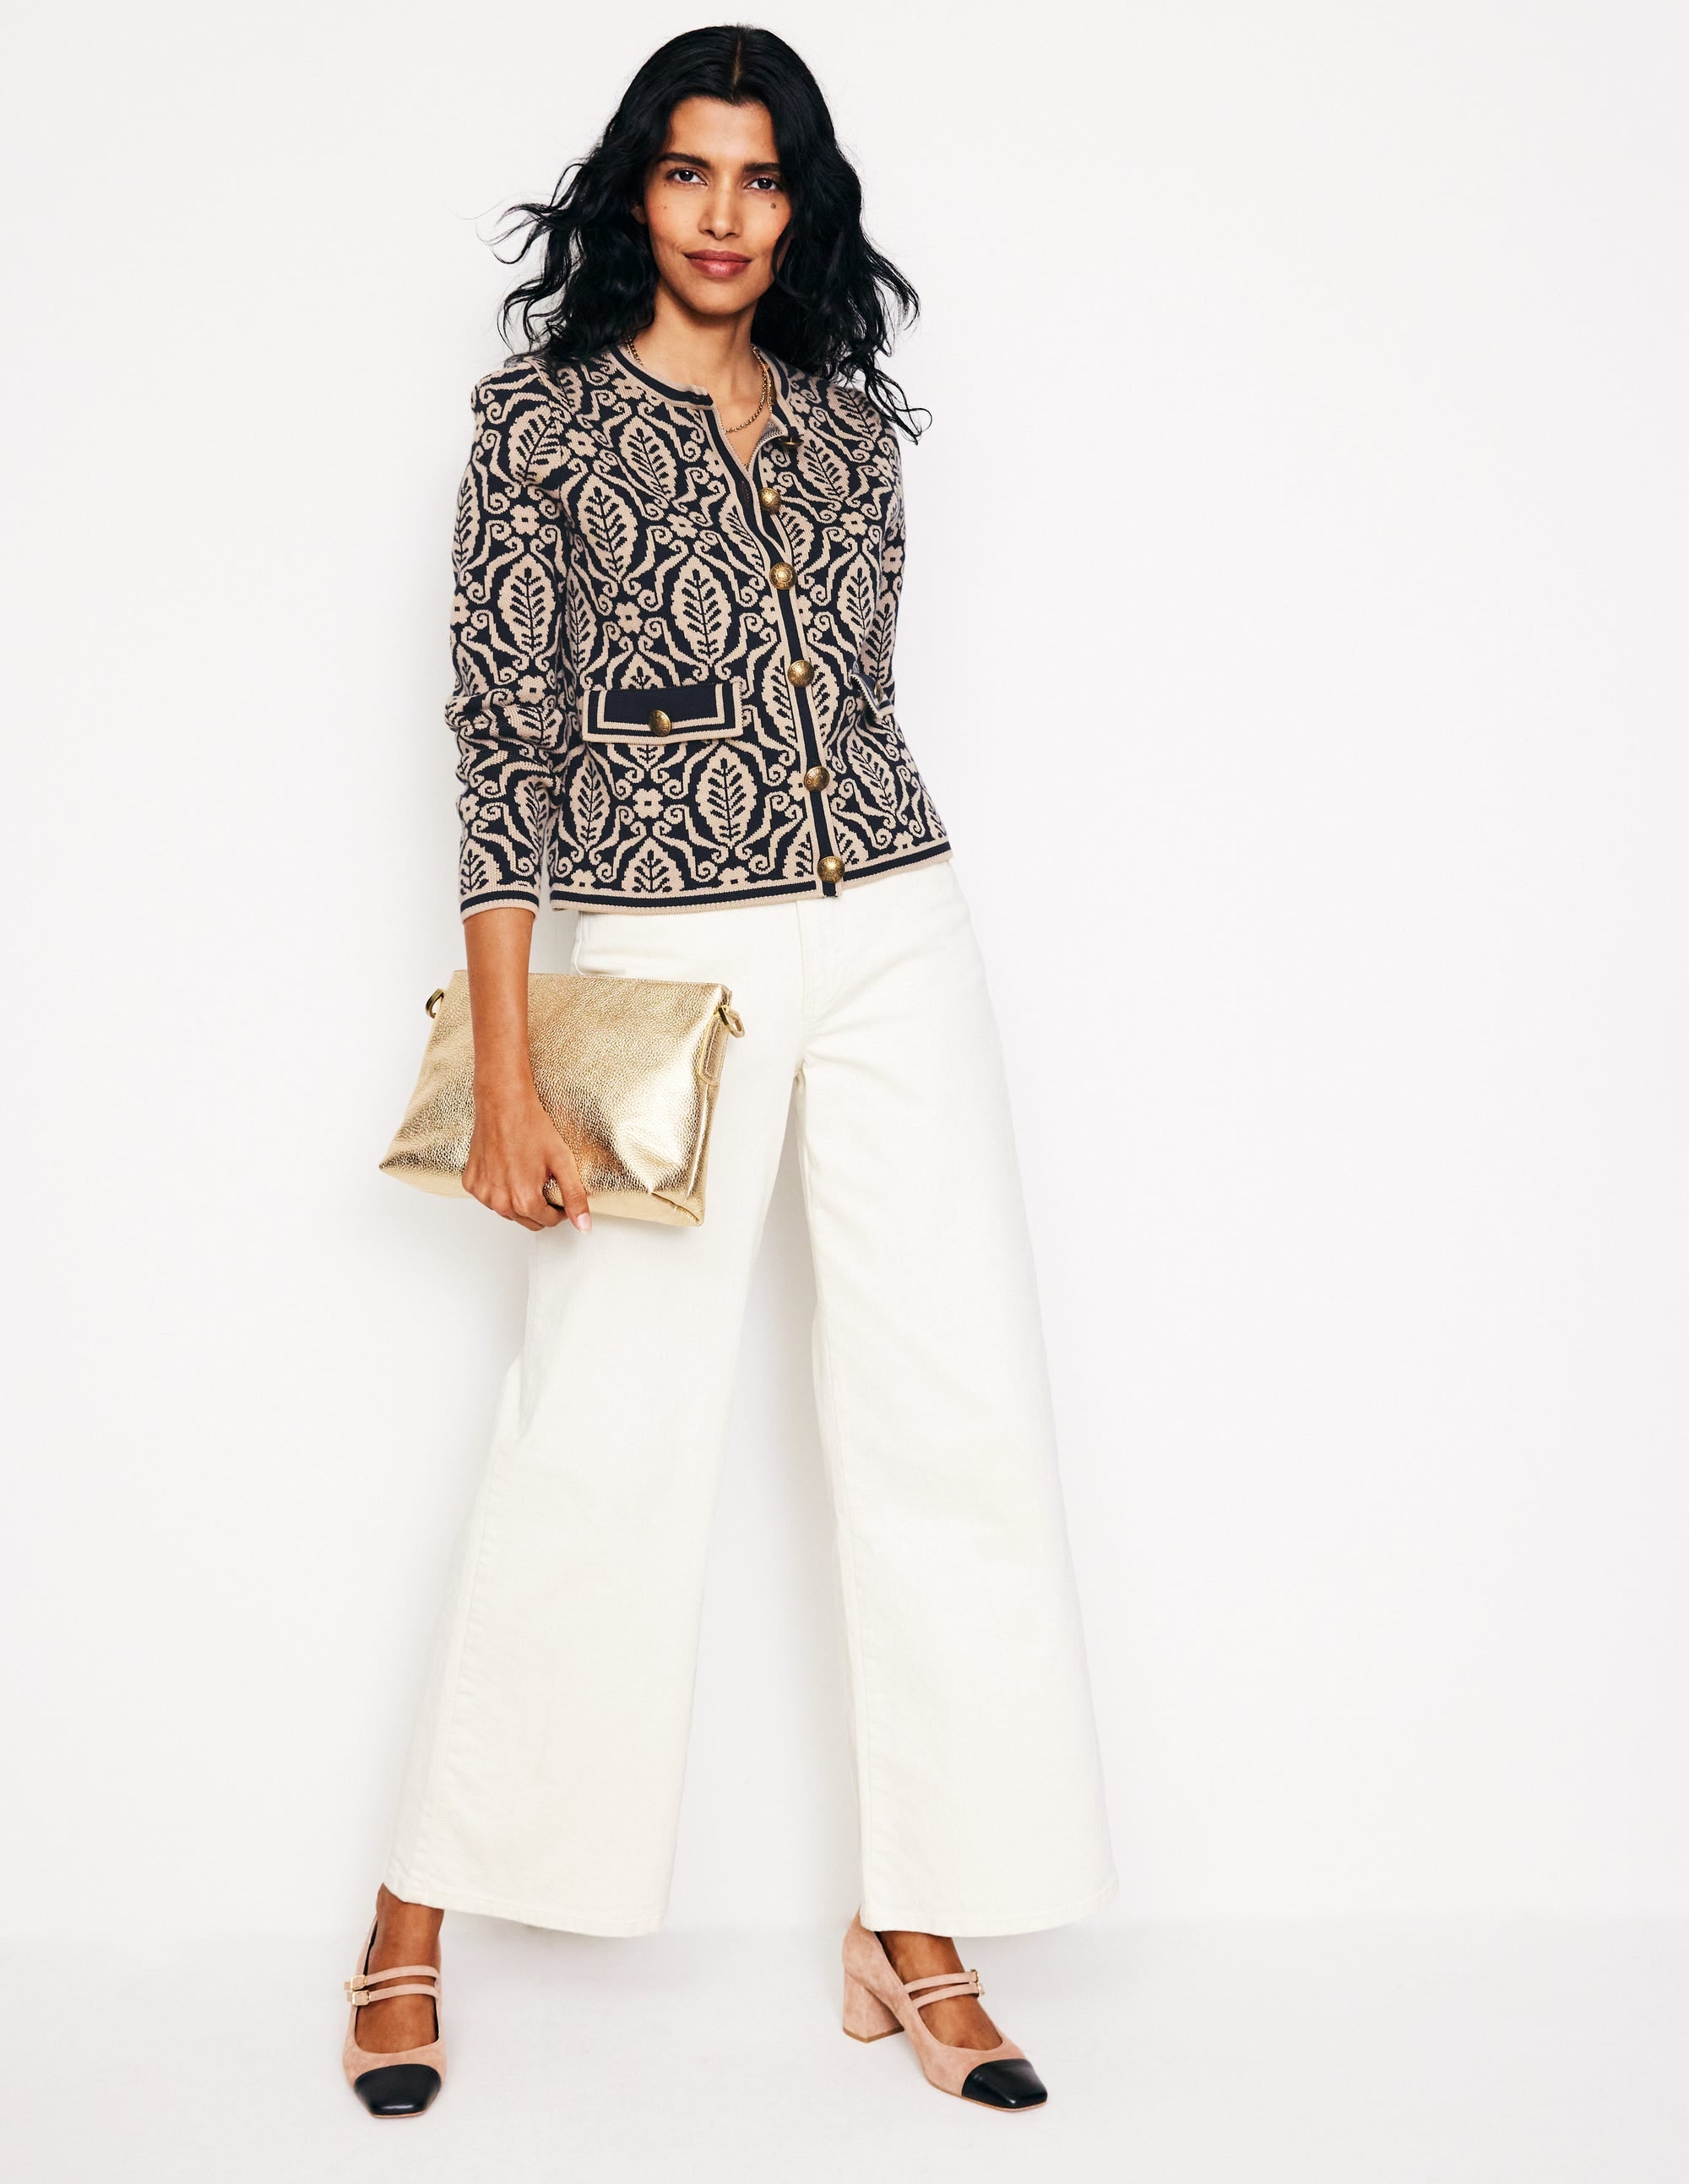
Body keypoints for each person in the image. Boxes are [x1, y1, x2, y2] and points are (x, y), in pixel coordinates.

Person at [342, 23, 1116, 2120]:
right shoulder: (539, 424)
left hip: (900, 932)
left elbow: (852, 693)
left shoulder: (854, 428)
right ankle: (411, 1912)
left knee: (953, 1416)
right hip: (666, 951)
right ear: (636, 189)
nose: (720, 213)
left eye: (759, 177)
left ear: (800, 205)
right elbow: (503, 748)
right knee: (600, 1428)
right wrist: (513, 1072)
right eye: (686, 171)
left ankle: (918, 1924)